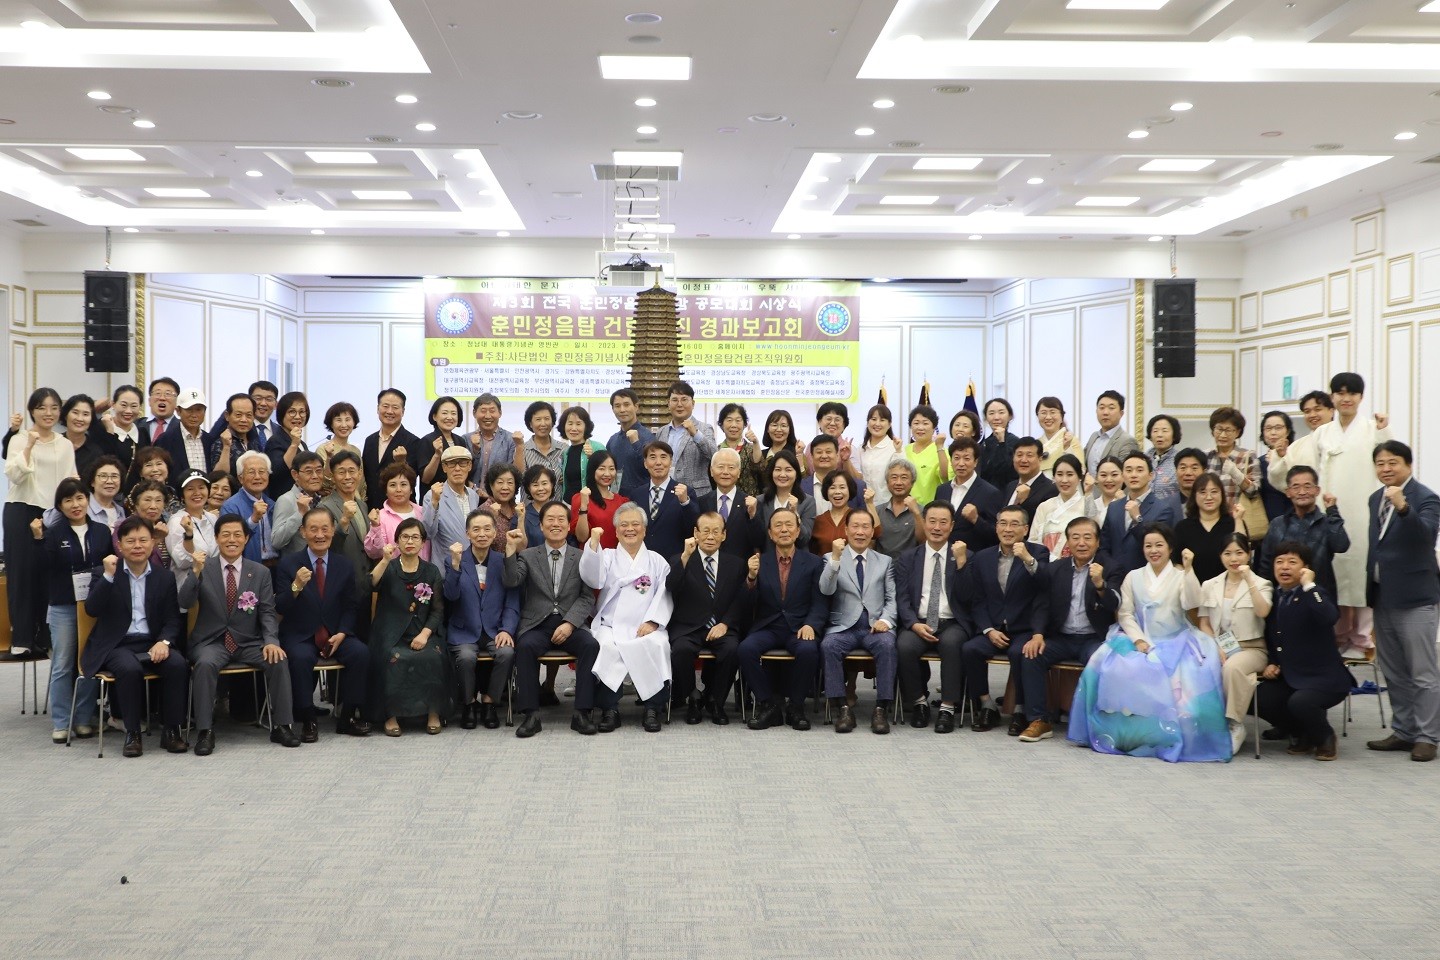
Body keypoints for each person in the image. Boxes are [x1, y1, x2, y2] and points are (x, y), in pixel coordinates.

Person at [1068, 523, 1229, 762]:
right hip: (1139, 636)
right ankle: (1119, 733)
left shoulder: (1180, 576)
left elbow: (1192, 602)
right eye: (1148, 546)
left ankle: (1168, 736)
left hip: (1175, 638)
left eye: (1159, 545)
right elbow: (1125, 614)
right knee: (1104, 664)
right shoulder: (1133, 576)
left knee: (1188, 678)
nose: (1153, 551)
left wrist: (1188, 569)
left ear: (1170, 548)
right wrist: (1139, 639)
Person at [1269, 374, 1389, 658]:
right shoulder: (1322, 434)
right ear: (1333, 397)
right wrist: (1282, 457)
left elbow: (1386, 462)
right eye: (1340, 393)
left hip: (1362, 511)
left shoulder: (1372, 428)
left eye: (1352, 393)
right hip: (1329, 510)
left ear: (1360, 397)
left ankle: (1362, 639)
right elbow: (1298, 467)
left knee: (1360, 572)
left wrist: (1384, 430)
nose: (1346, 398)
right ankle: (1340, 634)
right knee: (1333, 573)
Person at [178, 513, 301, 754]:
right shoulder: (204, 567)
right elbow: (185, 602)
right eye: (225, 535)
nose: (231, 540)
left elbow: (267, 612)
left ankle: (282, 726)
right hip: (212, 641)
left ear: (246, 539)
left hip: (248, 641)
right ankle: (205, 731)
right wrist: (194, 572)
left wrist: (271, 641)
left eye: (237, 535)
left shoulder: (260, 572)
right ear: (216, 539)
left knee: (278, 659)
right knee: (204, 664)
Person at [81, 517, 187, 758]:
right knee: (129, 668)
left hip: (152, 642)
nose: (137, 546)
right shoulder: (104, 573)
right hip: (117, 644)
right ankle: (132, 732)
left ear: (153, 543)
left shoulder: (164, 577)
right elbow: (91, 610)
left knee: (178, 664)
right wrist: (108, 577)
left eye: (143, 540)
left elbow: (173, 619)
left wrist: (164, 642)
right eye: (131, 541)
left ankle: (172, 731)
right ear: (119, 545)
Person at [1013, 517, 1122, 743]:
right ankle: (1039, 720)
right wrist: (1038, 634)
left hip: (1094, 638)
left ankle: (1097, 723)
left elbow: (1114, 604)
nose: (1081, 543)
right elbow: (1042, 604)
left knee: (1100, 660)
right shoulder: (1057, 568)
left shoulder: (1111, 567)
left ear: (1098, 542)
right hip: (1061, 637)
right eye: (1075, 537)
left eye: (1087, 537)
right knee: (1031, 654)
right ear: (1068, 542)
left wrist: (1100, 585)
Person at [1364, 441, 1440, 761]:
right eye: (1380, 463)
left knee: (1422, 673)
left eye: (1392, 462)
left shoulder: (1426, 498)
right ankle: (1405, 730)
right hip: (1384, 596)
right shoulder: (1375, 498)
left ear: (1408, 464)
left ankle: (1427, 737)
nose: (1386, 469)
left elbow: (1425, 536)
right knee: (1393, 671)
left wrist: (1404, 508)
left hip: (1416, 598)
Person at [505, 503, 601, 737]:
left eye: (561, 519)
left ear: (569, 526)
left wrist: (570, 623)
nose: (555, 524)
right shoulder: (528, 555)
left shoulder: (581, 557)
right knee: (525, 647)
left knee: (590, 645)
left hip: (570, 623)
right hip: (537, 624)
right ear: (541, 525)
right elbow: (511, 581)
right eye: (550, 519)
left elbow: (587, 597)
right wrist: (510, 550)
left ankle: (582, 713)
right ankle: (531, 715)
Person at [274, 508, 371, 740]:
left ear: (333, 530)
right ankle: (308, 718)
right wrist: (296, 586)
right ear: (303, 532)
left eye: (325, 529)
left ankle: (348, 716)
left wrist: (343, 633)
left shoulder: (344, 565)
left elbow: (350, 606)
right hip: (301, 634)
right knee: (300, 658)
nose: (320, 535)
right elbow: (280, 606)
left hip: (335, 632)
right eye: (313, 529)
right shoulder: (288, 564)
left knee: (361, 653)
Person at [579, 503, 675, 733]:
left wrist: (653, 622)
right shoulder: (608, 556)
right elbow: (592, 578)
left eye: (635, 524)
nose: (630, 529)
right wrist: (593, 544)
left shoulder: (656, 561)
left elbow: (665, 594)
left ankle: (653, 708)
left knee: (659, 644)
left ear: (644, 529)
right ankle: (610, 709)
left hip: (646, 625)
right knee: (605, 646)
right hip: (611, 625)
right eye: (624, 525)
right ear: (616, 530)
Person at [958, 505, 1050, 734]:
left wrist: (1027, 559)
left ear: (1025, 529)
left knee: (1020, 653)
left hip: (1024, 628)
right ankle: (987, 705)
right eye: (1003, 523)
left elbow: (1046, 586)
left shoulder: (1038, 552)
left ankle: (1019, 709)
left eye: (1014, 524)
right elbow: (978, 600)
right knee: (970, 649)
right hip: (994, 627)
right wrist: (988, 629)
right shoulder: (983, 557)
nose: (1008, 529)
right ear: (996, 527)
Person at [1261, 542, 1353, 761]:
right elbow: (1273, 636)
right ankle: (1302, 732)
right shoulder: (1274, 596)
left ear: (1306, 568)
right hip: (1291, 675)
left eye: (1292, 562)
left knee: (1300, 702)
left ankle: (1324, 736)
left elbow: (1329, 617)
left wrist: (1309, 586)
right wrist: (1272, 661)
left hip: (1323, 677)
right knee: (1259, 698)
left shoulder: (1314, 593)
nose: (1284, 567)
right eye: (1279, 562)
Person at [740, 507, 828, 731]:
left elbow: (820, 601)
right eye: (778, 525)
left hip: (799, 627)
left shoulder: (814, 562)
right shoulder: (760, 562)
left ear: (798, 531)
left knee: (809, 650)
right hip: (768, 626)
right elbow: (747, 604)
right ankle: (768, 705)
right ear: (770, 534)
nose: (784, 530)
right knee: (745, 649)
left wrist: (811, 624)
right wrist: (751, 578)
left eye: (789, 525)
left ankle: (796, 706)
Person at [5, 387, 75, 657]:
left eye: (54, 407)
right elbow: (14, 475)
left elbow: (69, 479)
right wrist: (29, 446)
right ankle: (21, 638)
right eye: (42, 407)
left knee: (49, 574)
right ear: (32, 410)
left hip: (53, 513)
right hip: (21, 508)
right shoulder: (19, 439)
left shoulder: (64, 443)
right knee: (21, 575)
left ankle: (45, 637)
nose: (49, 413)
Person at [41, 478, 111, 742]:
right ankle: (61, 721)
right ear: (60, 506)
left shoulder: (101, 531)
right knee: (62, 663)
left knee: (90, 661)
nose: (75, 504)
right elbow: (44, 567)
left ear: (88, 499)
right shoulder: (53, 533)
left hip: (93, 606)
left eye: (80, 498)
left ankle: (83, 718)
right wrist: (37, 540)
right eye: (68, 500)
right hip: (63, 606)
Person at [368, 518, 450, 736]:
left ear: (423, 542)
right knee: (393, 658)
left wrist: (424, 634)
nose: (410, 542)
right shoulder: (389, 566)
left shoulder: (431, 571)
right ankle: (390, 715)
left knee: (434, 657)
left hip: (423, 631)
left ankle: (433, 712)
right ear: (397, 541)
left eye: (415, 537)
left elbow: (437, 610)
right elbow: (370, 584)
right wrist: (384, 560)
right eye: (405, 537)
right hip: (390, 633)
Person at [819, 509, 898, 734]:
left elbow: (892, 598)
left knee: (888, 645)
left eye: (865, 527)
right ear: (846, 530)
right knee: (828, 645)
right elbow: (826, 589)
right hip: (844, 627)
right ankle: (842, 708)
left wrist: (886, 620)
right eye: (855, 526)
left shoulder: (884, 561)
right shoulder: (831, 557)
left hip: (874, 627)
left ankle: (881, 708)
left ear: (872, 532)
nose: (860, 532)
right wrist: (835, 560)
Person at [667, 512, 749, 724]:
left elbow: (740, 599)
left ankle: (715, 700)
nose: (710, 536)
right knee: (681, 650)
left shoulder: (736, 564)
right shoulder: (680, 559)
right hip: (689, 627)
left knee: (732, 650)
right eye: (705, 531)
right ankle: (693, 697)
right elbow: (671, 587)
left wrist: (725, 623)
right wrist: (685, 557)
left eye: (715, 531)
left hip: (722, 626)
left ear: (724, 535)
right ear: (696, 533)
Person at [894, 502, 970, 731]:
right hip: (918, 621)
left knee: (952, 644)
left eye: (943, 522)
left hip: (952, 622)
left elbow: (969, 598)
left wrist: (962, 565)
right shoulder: (908, 558)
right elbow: (902, 598)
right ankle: (919, 702)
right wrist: (913, 624)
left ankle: (947, 707)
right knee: (904, 646)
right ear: (924, 523)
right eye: (932, 521)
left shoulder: (964, 556)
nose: (937, 527)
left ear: (952, 526)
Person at [1196, 532, 1273, 754]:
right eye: (1228, 553)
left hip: (1252, 648)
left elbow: (1263, 611)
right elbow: (1204, 623)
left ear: (1248, 555)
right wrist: (1215, 646)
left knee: (1232, 667)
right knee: (1194, 666)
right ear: (1220, 556)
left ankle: (1235, 723)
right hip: (1219, 645)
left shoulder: (1262, 583)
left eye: (1239, 553)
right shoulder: (1210, 584)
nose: (1234, 559)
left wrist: (1249, 580)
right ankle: (1203, 723)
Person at [442, 509, 518, 729]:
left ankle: (489, 702)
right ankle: (468, 704)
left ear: (495, 533)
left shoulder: (503, 561)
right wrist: (455, 566)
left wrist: (507, 629)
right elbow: (451, 596)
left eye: (487, 529)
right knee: (466, 657)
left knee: (507, 653)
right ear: (467, 534)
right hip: (464, 630)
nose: (482, 534)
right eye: (476, 529)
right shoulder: (453, 560)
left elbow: (512, 602)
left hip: (495, 630)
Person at [1255, 465, 1350, 599]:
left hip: (1319, 598)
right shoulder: (1277, 524)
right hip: (1283, 599)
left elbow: (1341, 546)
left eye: (1307, 486)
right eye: (1296, 487)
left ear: (1317, 490)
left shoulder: (1326, 522)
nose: (1302, 492)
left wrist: (1332, 512)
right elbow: (1266, 565)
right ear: (1288, 492)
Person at [318, 450, 373, 641]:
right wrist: (343, 521)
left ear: (360, 473)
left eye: (352, 471)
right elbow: (324, 546)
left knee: (364, 640)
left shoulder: (362, 505)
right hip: (340, 586)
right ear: (333, 476)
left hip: (364, 585)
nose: (348, 477)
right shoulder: (325, 507)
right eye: (341, 472)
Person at [1101, 452, 1184, 572]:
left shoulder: (1163, 509)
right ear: (1123, 476)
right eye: (1128, 470)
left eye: (1139, 470)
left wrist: (1137, 519)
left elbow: (1158, 547)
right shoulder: (1114, 507)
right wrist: (1111, 568)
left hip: (1145, 575)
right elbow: (1104, 546)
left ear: (1151, 475)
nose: (1133, 475)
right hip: (1114, 576)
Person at [1175, 472, 1245, 585]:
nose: (1209, 497)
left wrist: (1238, 520)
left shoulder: (1233, 523)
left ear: (1222, 494)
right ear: (1194, 496)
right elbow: (1177, 564)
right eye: (1203, 492)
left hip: (1229, 588)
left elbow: (1243, 553)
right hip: (1193, 590)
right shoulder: (1182, 527)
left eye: (1214, 492)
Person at [934, 436, 1001, 551]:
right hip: (943, 554)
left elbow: (997, 534)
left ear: (975, 462)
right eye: (956, 458)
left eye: (966, 458)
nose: (961, 463)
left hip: (973, 556)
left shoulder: (990, 493)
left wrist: (976, 519)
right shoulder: (942, 490)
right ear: (951, 461)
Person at [362, 388, 423, 511]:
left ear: (403, 411)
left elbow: (412, 479)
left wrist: (402, 462)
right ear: (378, 408)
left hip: (400, 510)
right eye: (385, 406)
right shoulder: (370, 440)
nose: (389, 411)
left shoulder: (413, 441)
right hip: (372, 509)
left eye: (395, 407)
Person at [1030, 453, 1100, 560]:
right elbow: (1033, 541)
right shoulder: (1044, 506)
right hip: (1045, 564)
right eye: (1059, 474)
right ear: (1054, 477)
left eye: (1070, 474)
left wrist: (1089, 493)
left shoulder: (1087, 504)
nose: (1064, 480)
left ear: (1079, 477)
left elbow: (1095, 537)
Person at [635, 440, 698, 558]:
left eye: (663, 457)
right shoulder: (636, 494)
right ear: (645, 463)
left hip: (674, 560)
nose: (658, 462)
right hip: (643, 559)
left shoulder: (686, 492)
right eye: (652, 457)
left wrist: (685, 502)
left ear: (671, 462)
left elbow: (694, 528)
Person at [659, 380, 717, 498]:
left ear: (693, 403)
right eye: (675, 400)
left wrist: (695, 434)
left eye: (684, 399)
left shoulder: (704, 428)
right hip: (668, 493)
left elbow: (714, 455)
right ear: (668, 404)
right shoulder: (662, 432)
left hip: (697, 494)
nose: (679, 404)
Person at [749, 448, 814, 552]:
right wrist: (752, 516)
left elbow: (804, 539)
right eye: (778, 469)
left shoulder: (807, 501)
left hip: (798, 559)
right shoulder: (760, 500)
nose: (782, 474)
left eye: (788, 470)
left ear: (796, 474)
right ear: (772, 472)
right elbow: (757, 540)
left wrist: (795, 513)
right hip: (768, 558)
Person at [697, 447, 758, 558]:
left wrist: (753, 516)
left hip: (740, 565)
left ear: (739, 472)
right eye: (720, 467)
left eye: (731, 467)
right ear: (711, 471)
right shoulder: (701, 502)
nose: (725, 472)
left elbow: (759, 540)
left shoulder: (751, 504)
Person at [220, 451, 277, 565]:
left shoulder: (272, 504)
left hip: (276, 565)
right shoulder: (230, 506)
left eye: (262, 472)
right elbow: (230, 539)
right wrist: (253, 519)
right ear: (240, 478)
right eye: (251, 472)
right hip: (249, 567)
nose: (257, 477)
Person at [363, 461, 428, 562]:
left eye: (403, 484)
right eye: (393, 485)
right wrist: (376, 527)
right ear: (386, 490)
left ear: (411, 489)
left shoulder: (423, 512)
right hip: (393, 571)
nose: (398, 490)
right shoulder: (380, 517)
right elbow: (374, 553)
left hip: (424, 570)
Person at [423, 445, 480, 552]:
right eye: (452, 463)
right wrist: (434, 502)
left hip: (471, 560)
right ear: (444, 467)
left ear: (469, 466)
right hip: (445, 560)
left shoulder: (473, 495)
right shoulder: (432, 495)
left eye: (462, 463)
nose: (457, 469)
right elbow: (428, 533)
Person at [270, 450, 327, 555]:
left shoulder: (321, 500)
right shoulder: (286, 500)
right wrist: (300, 513)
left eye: (319, 471)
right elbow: (276, 541)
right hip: (297, 563)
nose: (315, 476)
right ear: (295, 474)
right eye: (309, 472)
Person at [571, 448, 627, 548]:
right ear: (592, 470)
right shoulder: (581, 498)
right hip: (591, 555)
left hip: (616, 556)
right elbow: (581, 537)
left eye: (611, 469)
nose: (607, 474)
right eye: (602, 469)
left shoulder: (622, 502)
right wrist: (583, 506)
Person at [165, 470, 218, 576]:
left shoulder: (213, 518)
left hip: (215, 581)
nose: (197, 493)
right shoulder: (176, 522)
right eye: (190, 489)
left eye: (201, 487)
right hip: (190, 582)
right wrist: (188, 536)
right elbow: (182, 561)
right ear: (182, 495)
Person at [605, 388, 654, 501]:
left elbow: (651, 468)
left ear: (636, 407)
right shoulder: (613, 440)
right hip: (616, 499)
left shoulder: (648, 437)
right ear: (613, 409)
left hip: (641, 499)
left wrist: (636, 443)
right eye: (617, 406)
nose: (622, 410)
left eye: (626, 405)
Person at [91, 384, 150, 477]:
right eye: (123, 405)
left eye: (134, 406)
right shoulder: (100, 429)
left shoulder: (142, 433)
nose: (128, 411)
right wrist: (110, 432)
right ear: (113, 404)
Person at [810, 470, 872, 557]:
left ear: (850, 490)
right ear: (826, 491)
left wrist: (870, 504)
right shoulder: (818, 520)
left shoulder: (858, 517)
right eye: (832, 488)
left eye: (842, 487)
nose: (837, 492)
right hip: (824, 565)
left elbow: (876, 533)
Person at [1083, 390, 1140, 480]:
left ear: (1121, 413)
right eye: (1101, 408)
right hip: (1089, 489)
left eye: (1111, 408)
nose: (1105, 412)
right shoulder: (1093, 437)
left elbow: (1126, 476)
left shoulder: (1127, 441)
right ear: (1096, 411)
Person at [154, 388, 212, 478]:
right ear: (178, 411)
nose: (194, 415)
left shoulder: (209, 440)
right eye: (189, 410)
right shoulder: (165, 440)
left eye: (199, 410)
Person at [265, 391, 311, 500]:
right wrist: (294, 444)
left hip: (302, 499)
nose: (298, 417)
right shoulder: (275, 441)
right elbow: (278, 472)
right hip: (284, 500)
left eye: (302, 412)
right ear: (282, 414)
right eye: (292, 412)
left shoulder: (302, 444)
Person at [467, 393, 514, 499]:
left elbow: (514, 473)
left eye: (492, 411)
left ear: (500, 413)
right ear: (474, 413)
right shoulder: (465, 439)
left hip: (501, 499)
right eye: (483, 411)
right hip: (470, 498)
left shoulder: (510, 439)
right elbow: (462, 472)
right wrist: (475, 451)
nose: (488, 416)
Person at [873, 458, 924, 558]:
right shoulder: (877, 511)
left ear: (912, 483)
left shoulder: (922, 511)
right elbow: (871, 543)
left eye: (904, 478)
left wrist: (916, 514)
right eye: (894, 477)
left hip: (910, 565)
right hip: (882, 566)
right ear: (887, 483)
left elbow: (923, 541)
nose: (898, 482)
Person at [417, 394, 469, 488]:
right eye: (444, 413)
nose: (449, 417)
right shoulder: (427, 441)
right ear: (434, 416)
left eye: (453, 413)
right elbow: (425, 478)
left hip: (457, 493)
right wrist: (437, 455)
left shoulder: (460, 441)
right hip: (436, 494)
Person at [316, 401, 364, 502]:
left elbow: (361, 483)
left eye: (348, 419)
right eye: (338, 420)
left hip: (356, 503)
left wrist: (361, 503)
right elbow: (323, 483)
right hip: (333, 503)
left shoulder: (356, 451)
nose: (344, 425)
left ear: (354, 422)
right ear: (331, 424)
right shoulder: (323, 449)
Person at [1002, 436, 1057, 523]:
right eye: (1019, 455)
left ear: (1040, 459)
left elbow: (1043, 523)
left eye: (1029, 455)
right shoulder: (1010, 486)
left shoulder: (1051, 489)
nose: (1024, 460)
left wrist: (1024, 502)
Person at [208, 393, 263, 479]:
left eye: (249, 415)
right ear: (227, 416)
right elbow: (218, 477)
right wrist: (226, 447)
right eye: (238, 415)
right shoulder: (220, 443)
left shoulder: (255, 442)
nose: (244, 420)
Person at [803, 434, 867, 509]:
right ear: (812, 456)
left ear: (837, 455)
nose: (824, 456)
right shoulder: (800, 487)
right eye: (819, 452)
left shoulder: (858, 487)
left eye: (828, 452)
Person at [555, 405, 603, 503]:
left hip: (590, 504)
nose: (574, 428)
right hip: (568, 504)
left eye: (578, 424)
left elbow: (607, 476)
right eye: (570, 424)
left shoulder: (597, 447)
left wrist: (592, 458)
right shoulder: (566, 452)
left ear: (586, 426)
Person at [904, 404, 949, 505]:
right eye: (916, 423)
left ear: (934, 427)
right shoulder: (905, 450)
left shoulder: (940, 450)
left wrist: (940, 447)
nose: (920, 427)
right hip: (906, 507)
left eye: (925, 423)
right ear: (911, 426)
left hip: (931, 508)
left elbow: (945, 476)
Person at [715, 402, 762, 496]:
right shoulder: (717, 451)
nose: (734, 425)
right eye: (729, 420)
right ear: (721, 424)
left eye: (738, 420)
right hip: (723, 500)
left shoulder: (751, 448)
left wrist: (756, 442)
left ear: (744, 424)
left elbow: (758, 467)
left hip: (749, 500)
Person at [859, 404, 902, 504]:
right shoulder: (861, 448)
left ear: (889, 424)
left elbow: (901, 475)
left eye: (882, 420)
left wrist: (898, 451)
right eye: (874, 419)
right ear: (868, 422)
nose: (877, 424)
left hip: (887, 504)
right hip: (864, 504)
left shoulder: (895, 447)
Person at [1256, 410, 1294, 522]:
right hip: (1267, 523)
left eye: (1278, 428)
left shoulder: (1296, 456)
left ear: (1288, 431)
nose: (1273, 433)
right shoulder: (1258, 462)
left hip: (1295, 519)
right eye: (1268, 428)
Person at [59, 393, 104, 482]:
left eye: (85, 414)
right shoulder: (55, 443)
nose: (80, 419)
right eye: (75, 413)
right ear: (65, 415)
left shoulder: (96, 453)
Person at [514, 399, 564, 476]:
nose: (543, 424)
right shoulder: (522, 450)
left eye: (546, 419)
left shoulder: (563, 449)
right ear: (530, 424)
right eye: (538, 419)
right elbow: (518, 477)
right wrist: (519, 446)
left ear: (552, 422)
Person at [1035, 396, 1084, 473]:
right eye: (1043, 413)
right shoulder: (1036, 444)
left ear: (1062, 417)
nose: (1048, 417)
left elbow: (1081, 470)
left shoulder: (1071, 441)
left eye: (1052, 412)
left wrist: (1067, 448)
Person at [978, 398, 1018, 490]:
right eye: (991, 413)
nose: (996, 417)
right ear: (986, 418)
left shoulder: (1016, 442)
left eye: (1001, 412)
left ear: (1010, 416)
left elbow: (1006, 469)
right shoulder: (984, 444)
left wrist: (1001, 442)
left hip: (1008, 491)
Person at [813, 401, 856, 480]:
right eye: (828, 419)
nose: (832, 423)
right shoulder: (812, 446)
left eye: (837, 420)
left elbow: (857, 479)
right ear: (819, 422)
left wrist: (846, 461)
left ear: (844, 425)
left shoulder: (850, 448)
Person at [477, 462, 521, 539]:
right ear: (491, 485)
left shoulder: (518, 510)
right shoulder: (483, 511)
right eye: (500, 482)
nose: (505, 487)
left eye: (510, 483)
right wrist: (492, 519)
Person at [1146, 414, 1182, 501]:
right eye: (1155, 431)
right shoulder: (1143, 459)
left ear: (1174, 435)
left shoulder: (1180, 460)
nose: (1159, 435)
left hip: (1171, 507)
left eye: (1165, 431)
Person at [520, 464, 558, 545]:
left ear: (552, 485)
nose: (540, 488)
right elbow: (518, 546)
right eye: (535, 485)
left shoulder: (562, 511)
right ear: (529, 488)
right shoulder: (522, 514)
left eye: (544, 483)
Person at [760, 409, 806, 476]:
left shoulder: (797, 453)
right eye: (774, 425)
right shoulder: (761, 455)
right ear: (767, 429)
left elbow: (804, 479)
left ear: (789, 430)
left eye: (783, 426)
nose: (779, 430)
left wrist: (799, 455)